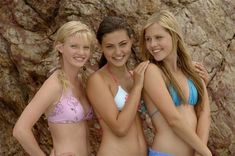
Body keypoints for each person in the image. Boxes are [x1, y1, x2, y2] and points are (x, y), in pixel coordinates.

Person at [13, 21, 95, 156]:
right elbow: (20, 130)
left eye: (86, 47)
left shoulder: (81, 81)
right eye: (74, 46)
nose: (81, 52)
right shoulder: (54, 85)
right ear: (60, 47)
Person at [140, 10, 211, 156]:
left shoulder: (191, 70)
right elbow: (173, 120)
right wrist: (206, 152)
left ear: (174, 37)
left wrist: (200, 152)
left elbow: (204, 113)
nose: (152, 44)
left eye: (158, 37)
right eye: (148, 39)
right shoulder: (152, 71)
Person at [86, 16, 149, 156]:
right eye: (110, 46)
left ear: (131, 40)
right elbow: (120, 128)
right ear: (100, 46)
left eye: (123, 44)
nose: (118, 52)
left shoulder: (135, 76)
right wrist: (138, 87)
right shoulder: (98, 80)